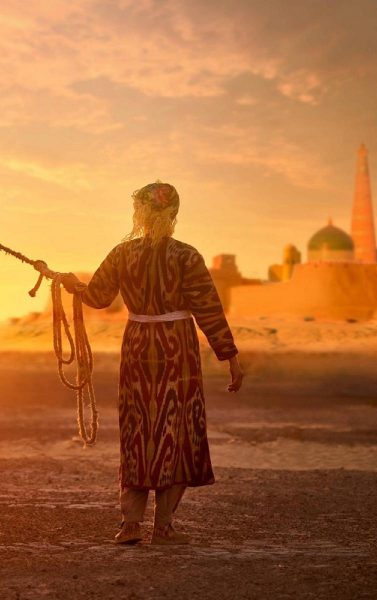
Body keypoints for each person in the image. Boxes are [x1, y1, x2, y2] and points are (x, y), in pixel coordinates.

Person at [61, 181, 244, 545]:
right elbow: (208, 310)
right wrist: (230, 357)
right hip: (178, 346)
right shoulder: (187, 256)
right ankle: (163, 527)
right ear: (174, 214)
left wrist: (71, 284)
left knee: (138, 431)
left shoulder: (122, 254)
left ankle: (130, 525)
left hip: (138, 346)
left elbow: (96, 297)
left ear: (139, 213)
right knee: (175, 432)